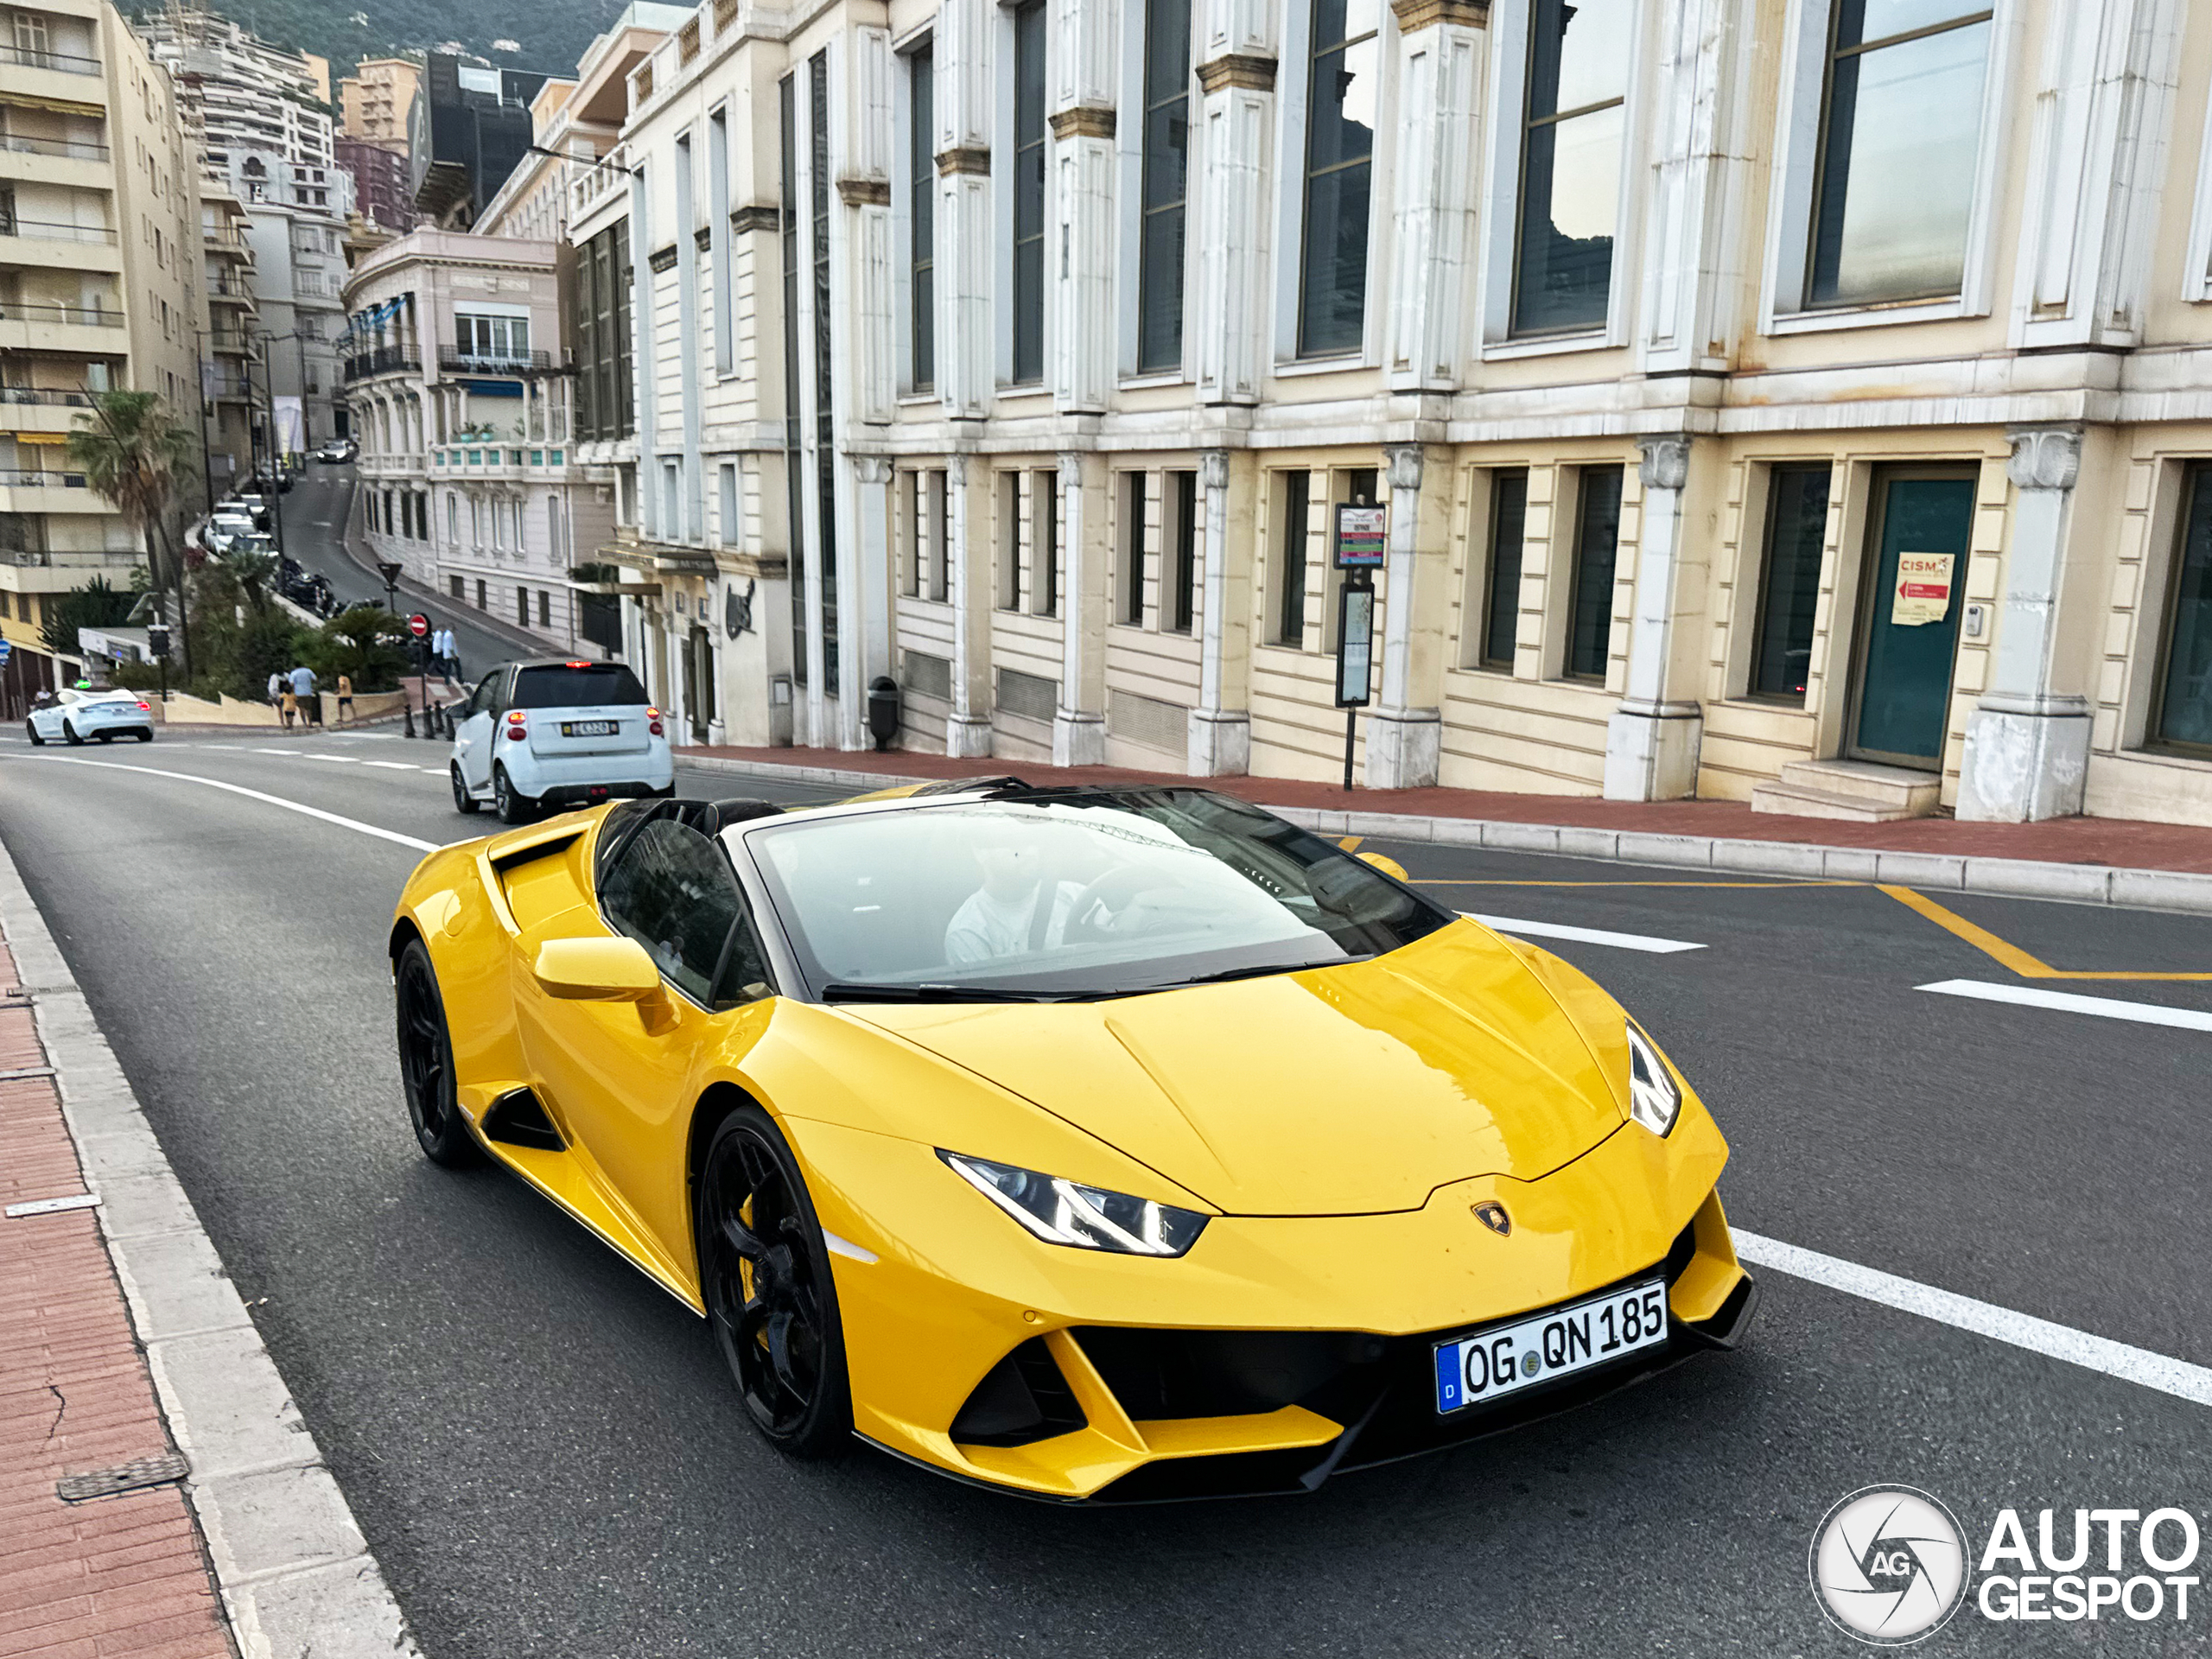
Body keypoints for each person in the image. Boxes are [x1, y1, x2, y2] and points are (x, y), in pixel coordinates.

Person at [943, 822, 1086, 966]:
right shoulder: (969, 931)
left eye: (1033, 841)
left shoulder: (1077, 897)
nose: (1031, 853)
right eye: (1014, 843)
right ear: (980, 851)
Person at [289, 662, 321, 728]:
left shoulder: (294, 673)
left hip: (298, 693)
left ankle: (305, 723)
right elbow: (315, 679)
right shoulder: (308, 671)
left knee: (301, 708)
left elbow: (291, 683)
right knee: (308, 708)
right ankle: (310, 723)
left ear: (295, 666)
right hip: (308, 692)